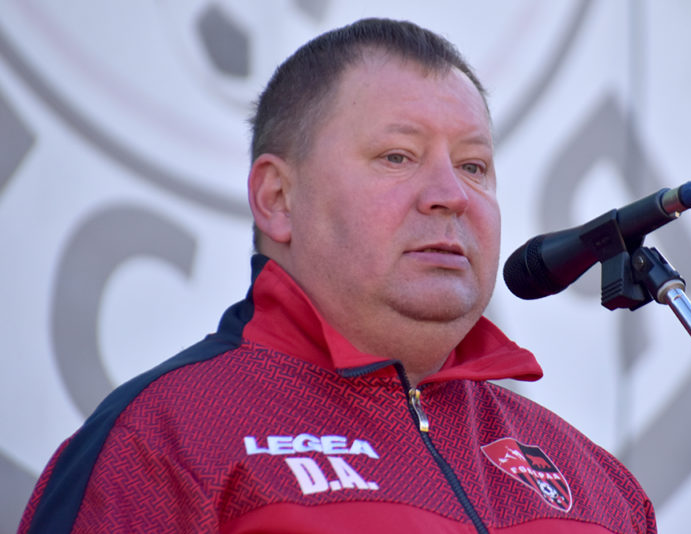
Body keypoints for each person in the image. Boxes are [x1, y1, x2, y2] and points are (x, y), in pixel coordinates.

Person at [18, 18, 657, 533]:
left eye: (473, 166)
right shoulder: (165, 440)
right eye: (397, 156)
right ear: (277, 198)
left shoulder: (599, 487)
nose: (450, 195)